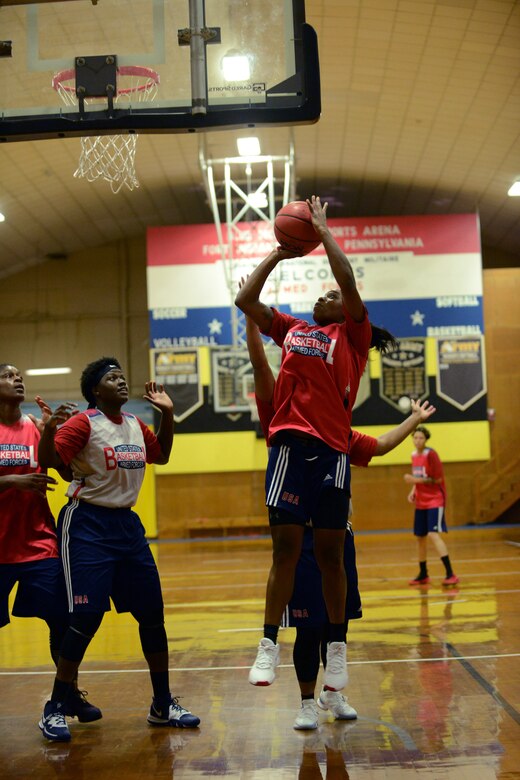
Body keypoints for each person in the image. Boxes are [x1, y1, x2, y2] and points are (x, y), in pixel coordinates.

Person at [240, 312, 435, 729]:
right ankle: (307, 702)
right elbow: (259, 362)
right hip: (302, 541)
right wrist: (250, 319)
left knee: (336, 621)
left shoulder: (338, 434)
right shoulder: (281, 415)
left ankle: (335, 692)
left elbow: (380, 445)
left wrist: (414, 420)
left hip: (336, 538)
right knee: (307, 630)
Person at [235, 196, 372, 693]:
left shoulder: (352, 338)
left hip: (332, 451)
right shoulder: (294, 330)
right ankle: (268, 644)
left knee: (333, 556)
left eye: (330, 296)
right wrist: (279, 253)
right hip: (290, 447)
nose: (324, 297)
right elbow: (245, 302)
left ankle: (337, 649)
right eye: (321, 295)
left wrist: (322, 231)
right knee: (286, 552)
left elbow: (349, 281)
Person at [37, 357, 200, 742]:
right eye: (112, 378)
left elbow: (161, 455)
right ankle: (55, 706)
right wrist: (47, 431)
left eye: (122, 376)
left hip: (126, 526)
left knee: (153, 616)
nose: (122, 381)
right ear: (96, 391)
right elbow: (48, 460)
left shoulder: (133, 424)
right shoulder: (83, 423)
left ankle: (162, 704)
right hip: (87, 524)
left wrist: (169, 415)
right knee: (85, 618)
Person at [0, 363, 101, 724]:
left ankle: (69, 695)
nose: (17, 380)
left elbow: (62, 470)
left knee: (61, 622)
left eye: (19, 377)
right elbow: (20, 480)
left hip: (39, 543)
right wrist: (13, 482)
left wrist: (52, 433)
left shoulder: (34, 425)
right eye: (9, 376)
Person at [404, 425, 459, 587]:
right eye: (415, 437)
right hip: (421, 501)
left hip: (435, 499)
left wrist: (414, 481)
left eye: (421, 438)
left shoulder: (431, 454)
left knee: (432, 534)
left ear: (426, 439)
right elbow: (418, 477)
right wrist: (413, 489)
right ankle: (423, 574)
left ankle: (451, 573)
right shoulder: (414, 455)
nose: (417, 440)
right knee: (420, 537)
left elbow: (437, 480)